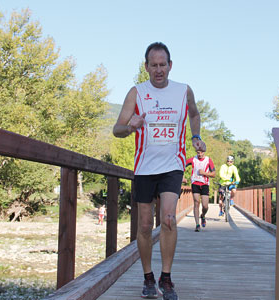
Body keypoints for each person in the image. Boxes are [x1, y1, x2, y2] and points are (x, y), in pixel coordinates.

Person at [113, 42, 206, 300]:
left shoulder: (183, 91)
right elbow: (117, 129)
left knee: (168, 219)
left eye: (162, 65)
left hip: (172, 166)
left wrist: (196, 136)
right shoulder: (136, 93)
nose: (158, 70)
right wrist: (130, 126)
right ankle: (148, 277)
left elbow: (195, 114)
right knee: (144, 226)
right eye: (153, 65)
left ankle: (166, 278)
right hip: (144, 168)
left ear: (170, 65)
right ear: (146, 67)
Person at [185, 149, 215, 232]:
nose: (200, 154)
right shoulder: (193, 159)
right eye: (198, 152)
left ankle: (203, 215)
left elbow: (213, 174)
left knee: (205, 206)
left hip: (205, 184)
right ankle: (197, 224)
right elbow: (181, 165)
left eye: (201, 152)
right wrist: (182, 176)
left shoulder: (208, 160)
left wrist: (204, 173)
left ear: (204, 152)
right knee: (196, 202)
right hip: (195, 183)